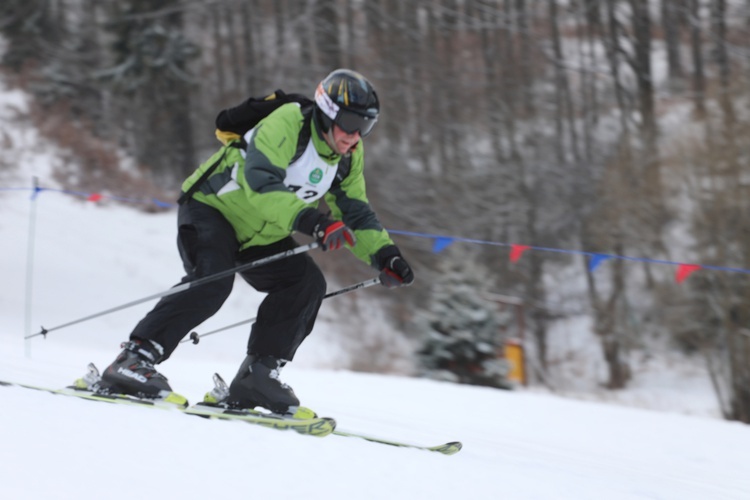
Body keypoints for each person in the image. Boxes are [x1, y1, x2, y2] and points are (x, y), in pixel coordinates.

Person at [94, 69, 414, 416]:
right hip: (212, 208)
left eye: (365, 126)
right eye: (351, 123)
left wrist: (385, 255)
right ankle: (132, 360)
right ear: (327, 111)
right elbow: (260, 182)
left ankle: (256, 376)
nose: (355, 136)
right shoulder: (289, 123)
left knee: (305, 283)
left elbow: (356, 213)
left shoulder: (348, 155)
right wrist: (312, 221)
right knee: (213, 281)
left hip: (263, 231)